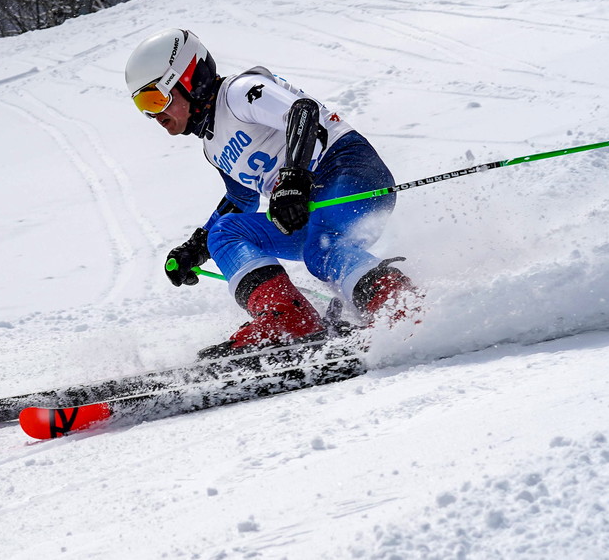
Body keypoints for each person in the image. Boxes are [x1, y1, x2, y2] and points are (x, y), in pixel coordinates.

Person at [125, 27, 421, 358]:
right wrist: (196, 247)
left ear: (190, 79)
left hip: (349, 170)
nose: (154, 115)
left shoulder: (239, 93)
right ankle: (287, 319)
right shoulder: (212, 147)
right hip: (302, 206)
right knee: (224, 233)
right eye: (143, 106)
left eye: (155, 98)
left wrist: (293, 177)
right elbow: (241, 201)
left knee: (321, 249)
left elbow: (303, 111)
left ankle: (398, 304)